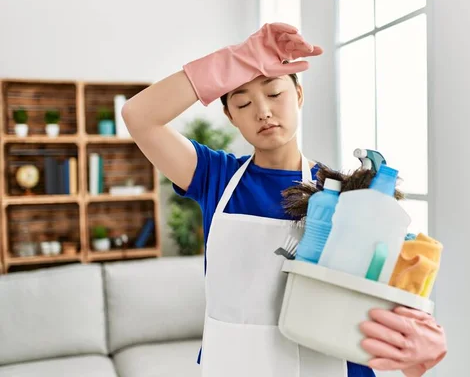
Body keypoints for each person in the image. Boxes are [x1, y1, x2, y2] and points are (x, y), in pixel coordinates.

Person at [122, 22, 446, 377]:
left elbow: (382, 292)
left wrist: (420, 343)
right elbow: (139, 116)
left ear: (299, 95)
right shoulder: (214, 177)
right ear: (230, 116)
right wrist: (239, 58)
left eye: (274, 94)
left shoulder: (344, 195)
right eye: (243, 102)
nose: (262, 111)